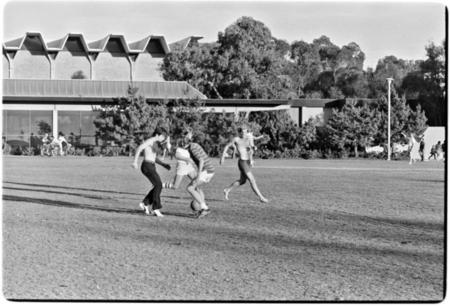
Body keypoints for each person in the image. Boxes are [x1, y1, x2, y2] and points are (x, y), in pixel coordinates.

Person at [220, 126, 268, 203]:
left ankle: (227, 190)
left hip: (247, 162)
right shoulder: (236, 139)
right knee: (252, 180)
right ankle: (261, 198)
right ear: (240, 132)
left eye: (245, 132)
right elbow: (227, 146)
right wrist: (222, 157)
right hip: (242, 162)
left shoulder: (248, 139)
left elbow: (249, 151)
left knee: (242, 181)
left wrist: (251, 159)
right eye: (242, 131)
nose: (244, 133)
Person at [132, 128, 171, 217]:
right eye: (162, 136)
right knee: (158, 185)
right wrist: (135, 162)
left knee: (158, 185)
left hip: (151, 166)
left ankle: (145, 203)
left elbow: (153, 158)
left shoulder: (155, 143)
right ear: (157, 135)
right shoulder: (150, 141)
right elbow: (139, 148)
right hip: (147, 166)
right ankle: (155, 208)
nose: (163, 138)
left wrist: (163, 164)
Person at [177, 129, 215, 218]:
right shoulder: (193, 146)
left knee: (190, 188)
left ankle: (204, 208)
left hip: (206, 170)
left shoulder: (192, 147)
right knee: (195, 188)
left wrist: (198, 174)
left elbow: (201, 160)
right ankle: (203, 207)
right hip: (209, 170)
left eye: (182, 142)